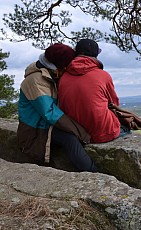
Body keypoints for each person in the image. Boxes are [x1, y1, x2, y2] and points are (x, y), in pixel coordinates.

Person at [17, 43, 97, 172]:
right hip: (35, 131)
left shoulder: (50, 75)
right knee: (70, 139)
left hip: (45, 125)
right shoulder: (35, 81)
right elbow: (49, 112)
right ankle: (93, 173)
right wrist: (79, 131)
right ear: (59, 66)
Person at [59, 39, 130, 143]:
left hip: (76, 132)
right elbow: (114, 103)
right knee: (127, 127)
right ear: (96, 55)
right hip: (102, 133)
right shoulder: (103, 75)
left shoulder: (63, 77)